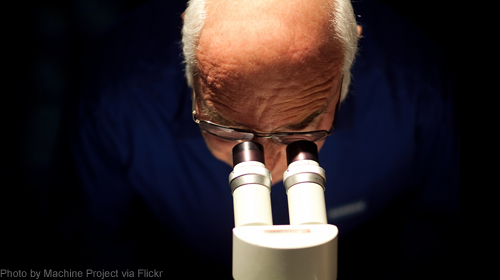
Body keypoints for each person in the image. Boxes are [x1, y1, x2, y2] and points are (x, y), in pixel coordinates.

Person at [60, 0, 459, 278]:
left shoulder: (416, 94)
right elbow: (91, 241)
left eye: (300, 131)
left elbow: (439, 230)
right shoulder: (116, 97)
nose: (270, 167)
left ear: (347, 57)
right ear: (191, 57)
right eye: (228, 130)